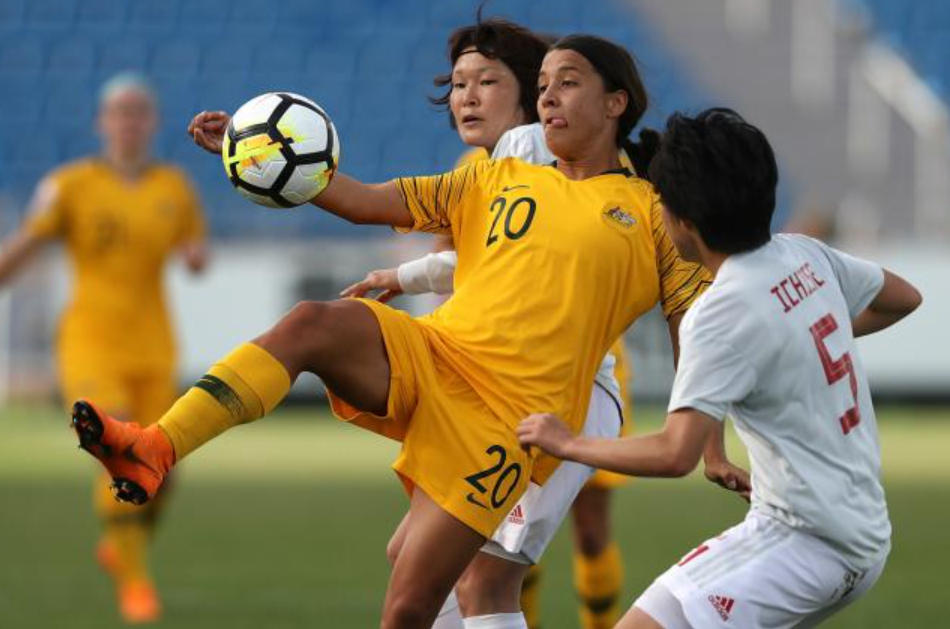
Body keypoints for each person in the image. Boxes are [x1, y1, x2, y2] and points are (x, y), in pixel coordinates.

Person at [73, 36, 713, 629]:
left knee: (416, 604)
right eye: (542, 83)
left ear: (615, 102)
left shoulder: (652, 214)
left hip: (508, 419)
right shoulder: (494, 175)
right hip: (436, 354)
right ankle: (154, 447)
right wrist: (258, 150)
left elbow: (697, 327)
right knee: (311, 324)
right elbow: (367, 201)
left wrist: (706, 444)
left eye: (566, 83)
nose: (547, 95)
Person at [518, 108, 922, 629]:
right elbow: (903, 298)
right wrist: (799, 338)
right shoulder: (805, 255)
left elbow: (673, 453)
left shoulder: (720, 310)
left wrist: (566, 442)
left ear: (683, 222)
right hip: (853, 529)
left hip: (805, 542)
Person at [341, 21, 661, 629]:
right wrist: (408, 279)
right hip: (509, 386)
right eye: (460, 83)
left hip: (562, 391)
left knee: (486, 577)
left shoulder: (538, 151)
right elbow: (492, 259)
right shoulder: (488, 164)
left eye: (487, 81)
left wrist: (407, 278)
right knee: (434, 565)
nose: (466, 95)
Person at [0, 73, 208, 623]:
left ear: (152, 122)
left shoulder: (174, 188)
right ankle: (136, 583)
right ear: (102, 122)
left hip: (154, 344)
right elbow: (28, 241)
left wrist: (194, 256)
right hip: (90, 343)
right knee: (114, 453)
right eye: (119, 112)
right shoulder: (69, 185)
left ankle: (122, 547)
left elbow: (195, 247)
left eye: (139, 111)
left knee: (163, 471)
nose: (129, 121)